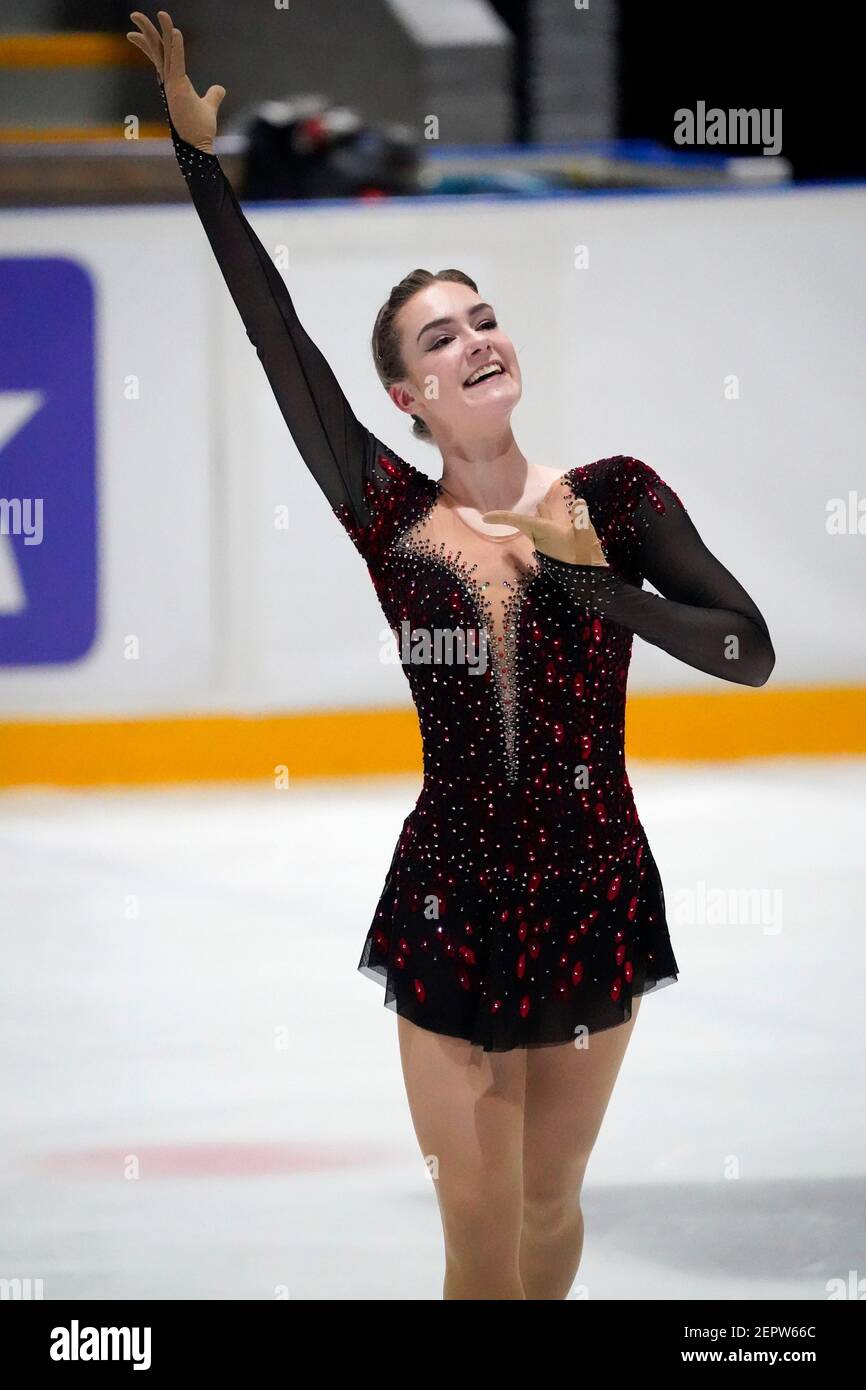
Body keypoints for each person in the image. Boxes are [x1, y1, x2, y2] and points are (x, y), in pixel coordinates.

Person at [127, 10, 776, 1300]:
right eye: (440, 338)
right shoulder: (390, 517)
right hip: (451, 894)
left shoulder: (618, 495)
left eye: (483, 318)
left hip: (597, 881)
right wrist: (204, 164)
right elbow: (279, 346)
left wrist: (598, 587)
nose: (475, 339)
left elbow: (748, 651)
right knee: (478, 1239)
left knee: (548, 1209)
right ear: (406, 400)